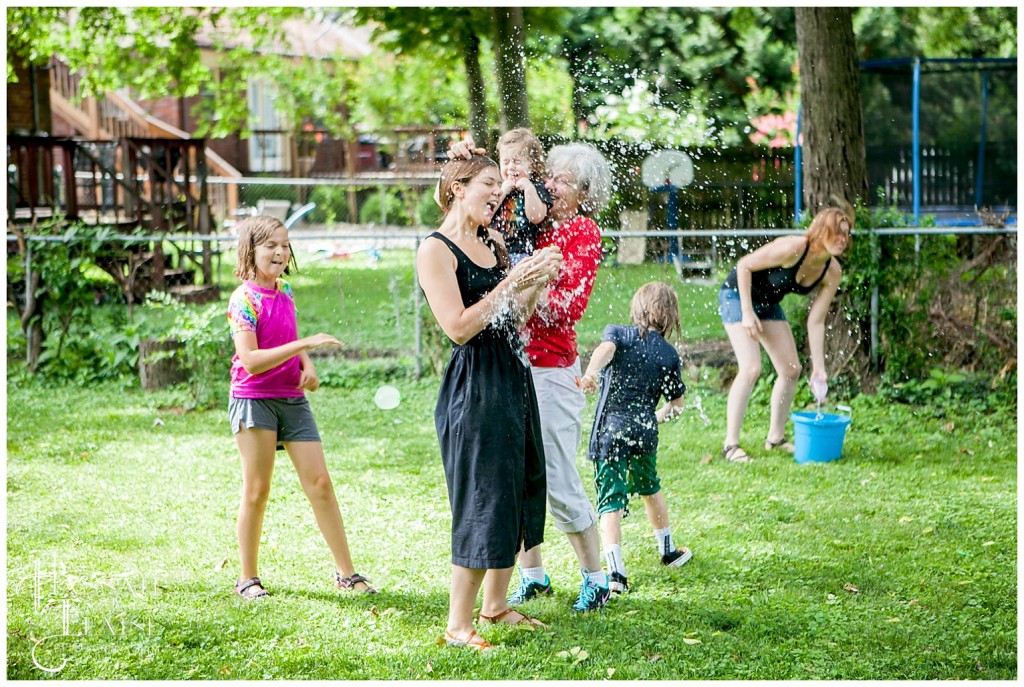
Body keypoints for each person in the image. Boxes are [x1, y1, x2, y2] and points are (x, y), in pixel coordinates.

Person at [417, 155, 564, 651]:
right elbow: (458, 327)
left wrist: (537, 279)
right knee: (483, 496)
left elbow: (512, 315)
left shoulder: (494, 242)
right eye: (486, 185)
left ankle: (496, 607)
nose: (497, 195)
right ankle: (458, 625)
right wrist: (510, 284)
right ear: (458, 188)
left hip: (512, 373)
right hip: (474, 384)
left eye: (498, 188)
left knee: (520, 484)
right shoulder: (434, 251)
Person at [226, 215, 375, 600]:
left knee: (320, 484)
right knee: (257, 490)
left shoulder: (285, 290)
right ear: (252, 250)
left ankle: (347, 574)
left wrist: (306, 364)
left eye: (284, 244)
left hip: (292, 399)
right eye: (270, 245)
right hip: (254, 400)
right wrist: (303, 345)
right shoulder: (243, 299)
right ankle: (247, 578)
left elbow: (289, 337)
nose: (279, 252)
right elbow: (253, 360)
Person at [513, 142, 614, 613]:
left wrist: (521, 293)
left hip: (553, 370)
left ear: (584, 193)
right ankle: (532, 574)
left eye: (562, 181)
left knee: (556, 474)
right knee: (515, 472)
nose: (549, 185)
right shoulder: (526, 223)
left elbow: (568, 307)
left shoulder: (582, 233)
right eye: (548, 175)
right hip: (511, 364)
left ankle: (597, 577)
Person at [580, 282, 693, 595]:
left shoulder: (620, 333)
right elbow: (677, 406)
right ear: (670, 317)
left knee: (610, 502)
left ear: (638, 309)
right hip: (644, 432)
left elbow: (606, 350)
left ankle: (616, 574)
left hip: (610, 433)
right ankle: (668, 551)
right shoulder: (669, 354)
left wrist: (590, 372)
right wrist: (652, 419)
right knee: (649, 488)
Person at [718, 205, 852, 463]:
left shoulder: (832, 271)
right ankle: (731, 445)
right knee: (751, 368)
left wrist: (819, 368)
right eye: (836, 232)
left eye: (846, 234)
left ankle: (775, 438)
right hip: (737, 295)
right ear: (821, 231)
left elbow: (816, 321)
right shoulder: (794, 247)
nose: (842, 239)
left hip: (767, 303)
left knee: (791, 369)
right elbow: (744, 266)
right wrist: (747, 312)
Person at [491, 128, 552, 264]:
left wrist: (529, 188)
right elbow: (487, 213)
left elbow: (536, 217)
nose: (511, 167)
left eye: (517, 162)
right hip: (492, 250)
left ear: (534, 166)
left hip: (521, 253)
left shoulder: (537, 188)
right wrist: (503, 192)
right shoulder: (497, 187)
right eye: (505, 162)